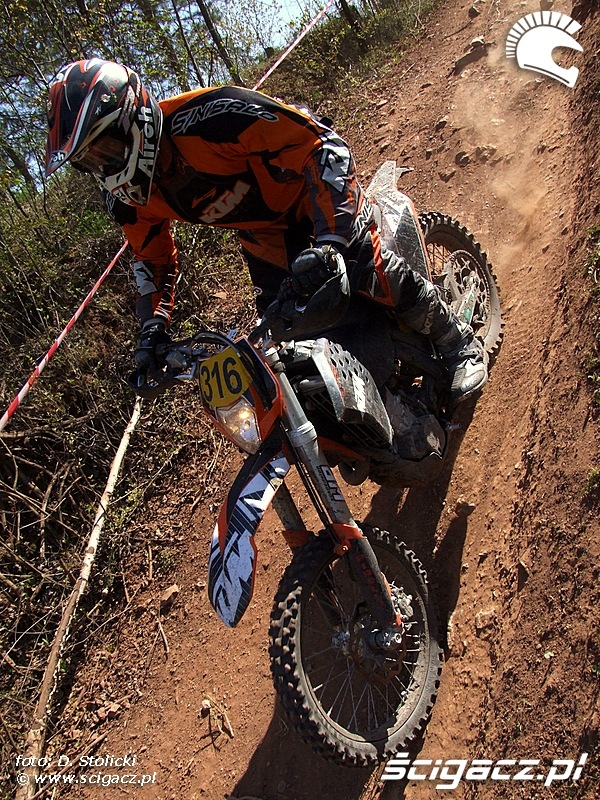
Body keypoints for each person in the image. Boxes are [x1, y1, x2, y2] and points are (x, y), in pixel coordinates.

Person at [45, 58, 488, 403]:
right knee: (289, 338)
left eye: (105, 147)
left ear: (134, 117)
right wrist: (152, 330)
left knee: (362, 264)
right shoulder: (127, 201)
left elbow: (322, 145)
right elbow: (153, 260)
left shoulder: (214, 117)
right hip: (265, 236)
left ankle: (457, 340)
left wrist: (331, 241)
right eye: (90, 160)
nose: (103, 166)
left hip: (311, 195)